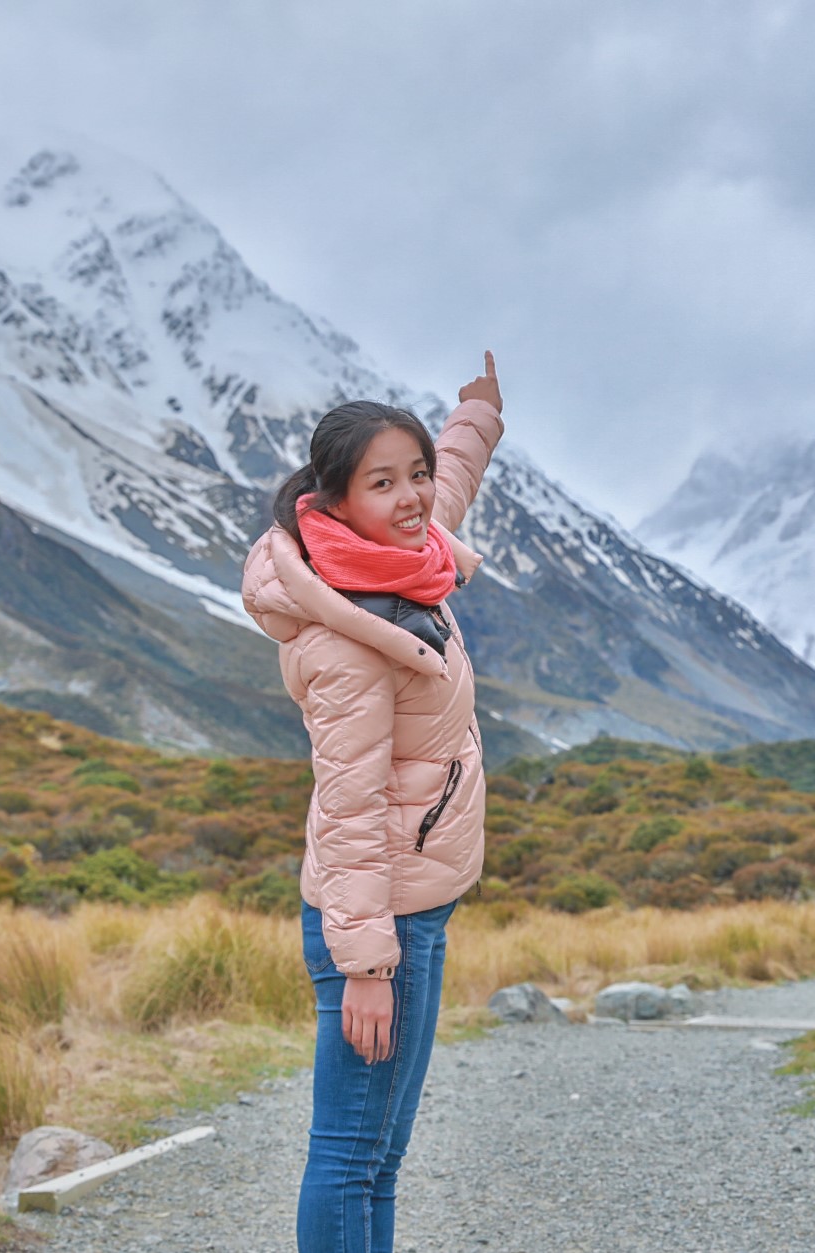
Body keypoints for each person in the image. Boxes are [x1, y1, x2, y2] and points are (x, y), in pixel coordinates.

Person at [240, 353, 504, 1252]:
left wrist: (473, 422)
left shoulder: (408, 560)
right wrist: (365, 966)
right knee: (351, 1155)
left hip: (410, 910)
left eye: (416, 473)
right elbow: (346, 806)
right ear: (336, 499)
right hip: (379, 922)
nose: (413, 496)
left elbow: (447, 495)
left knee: (378, 1160)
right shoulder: (352, 636)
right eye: (383, 481)